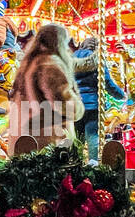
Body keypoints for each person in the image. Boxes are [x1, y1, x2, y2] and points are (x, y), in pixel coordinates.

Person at [7, 22, 84, 152]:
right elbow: (65, 104)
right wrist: (79, 108)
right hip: (48, 140)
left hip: (24, 138)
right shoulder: (50, 64)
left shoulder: (28, 64)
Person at [73, 36, 125, 158]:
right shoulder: (97, 58)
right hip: (92, 104)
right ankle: (93, 164)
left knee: (77, 138)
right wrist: (121, 95)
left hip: (76, 105)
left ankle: (74, 165)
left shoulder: (72, 58)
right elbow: (108, 83)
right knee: (92, 136)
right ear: (95, 46)